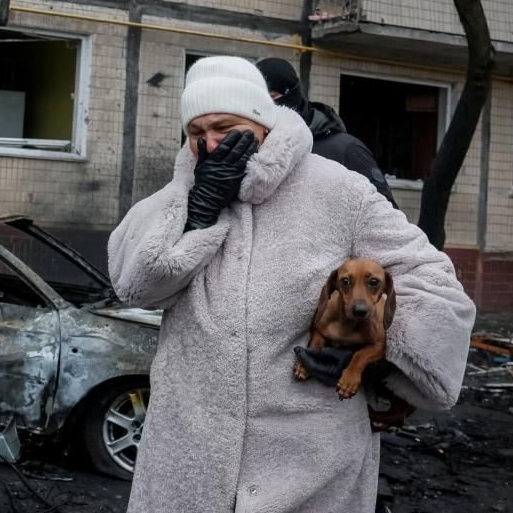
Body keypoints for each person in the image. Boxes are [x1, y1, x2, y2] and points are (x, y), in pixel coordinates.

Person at [108, 56, 474, 513]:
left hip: (309, 461)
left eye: (225, 126)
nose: (211, 143)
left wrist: (382, 363)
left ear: (262, 122)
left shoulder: (339, 191)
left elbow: (433, 282)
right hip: (190, 457)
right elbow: (135, 286)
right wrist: (199, 215)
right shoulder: (178, 198)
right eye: (197, 133)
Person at [256, 57, 397, 208]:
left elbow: (385, 214)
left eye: (271, 97)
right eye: (257, 98)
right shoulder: (254, 147)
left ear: (292, 95)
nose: (265, 106)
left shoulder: (346, 149)